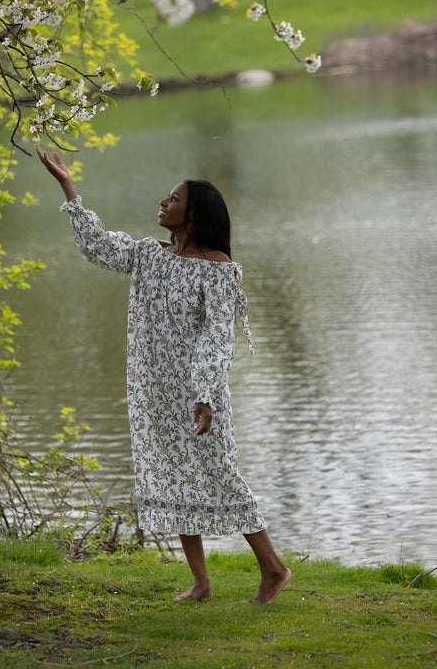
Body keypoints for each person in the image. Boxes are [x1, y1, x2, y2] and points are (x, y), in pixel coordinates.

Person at [36, 146, 291, 604]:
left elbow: (217, 337)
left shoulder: (218, 269)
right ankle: (201, 583)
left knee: (221, 473)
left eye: (173, 199)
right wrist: (67, 186)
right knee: (172, 478)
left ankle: (273, 569)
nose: (163, 202)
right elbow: (97, 246)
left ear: (194, 214)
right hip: (152, 393)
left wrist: (205, 394)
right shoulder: (147, 255)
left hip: (198, 395)